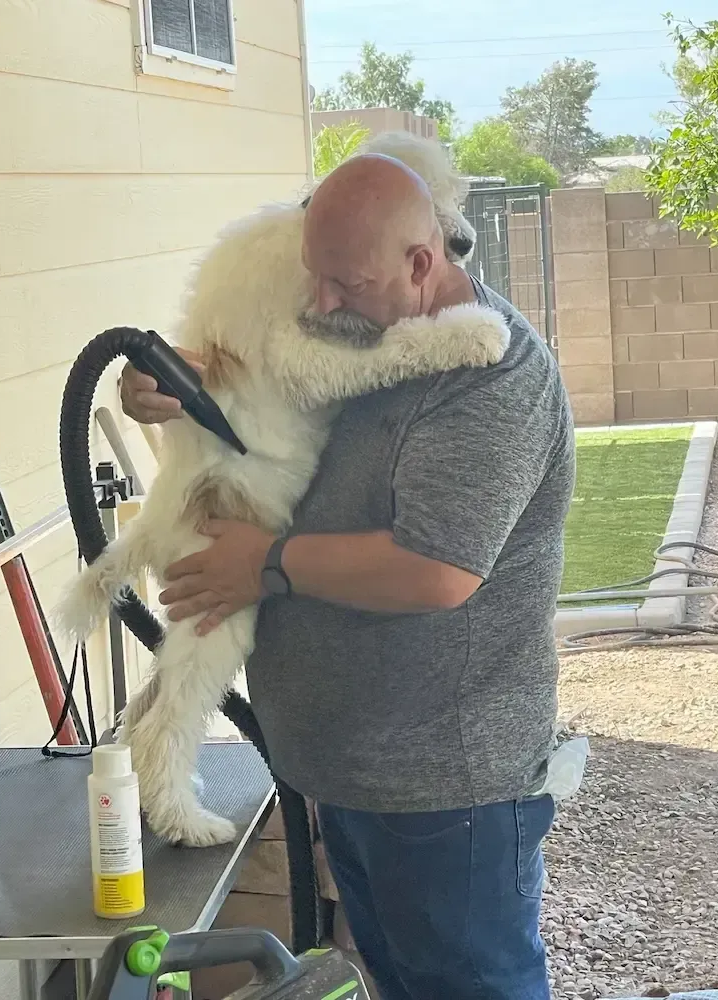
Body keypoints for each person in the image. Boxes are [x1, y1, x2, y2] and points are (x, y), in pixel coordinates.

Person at [119, 153, 575, 1000]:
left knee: (466, 985)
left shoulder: (490, 381)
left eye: (345, 281)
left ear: (421, 263)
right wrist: (183, 382)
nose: (322, 302)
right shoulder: (365, 323)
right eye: (315, 277)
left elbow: (436, 570)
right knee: (399, 981)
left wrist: (263, 564)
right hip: (349, 768)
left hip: (445, 790)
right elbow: (277, 401)